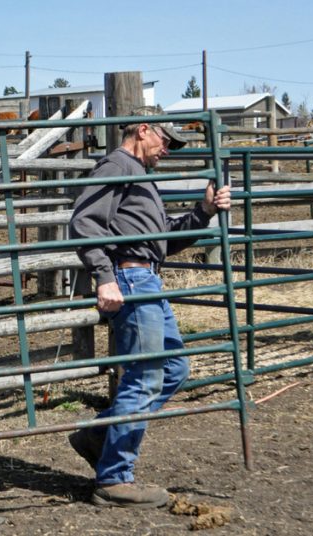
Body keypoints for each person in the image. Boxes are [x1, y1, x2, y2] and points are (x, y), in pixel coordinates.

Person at [67, 110, 231, 508]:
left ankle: (101, 436)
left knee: (174, 369)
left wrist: (203, 212)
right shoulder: (116, 166)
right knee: (144, 375)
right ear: (143, 130)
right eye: (166, 142)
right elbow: (84, 223)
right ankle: (114, 478)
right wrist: (104, 276)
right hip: (129, 280)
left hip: (146, 279)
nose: (168, 151)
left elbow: (159, 240)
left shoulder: (140, 175)